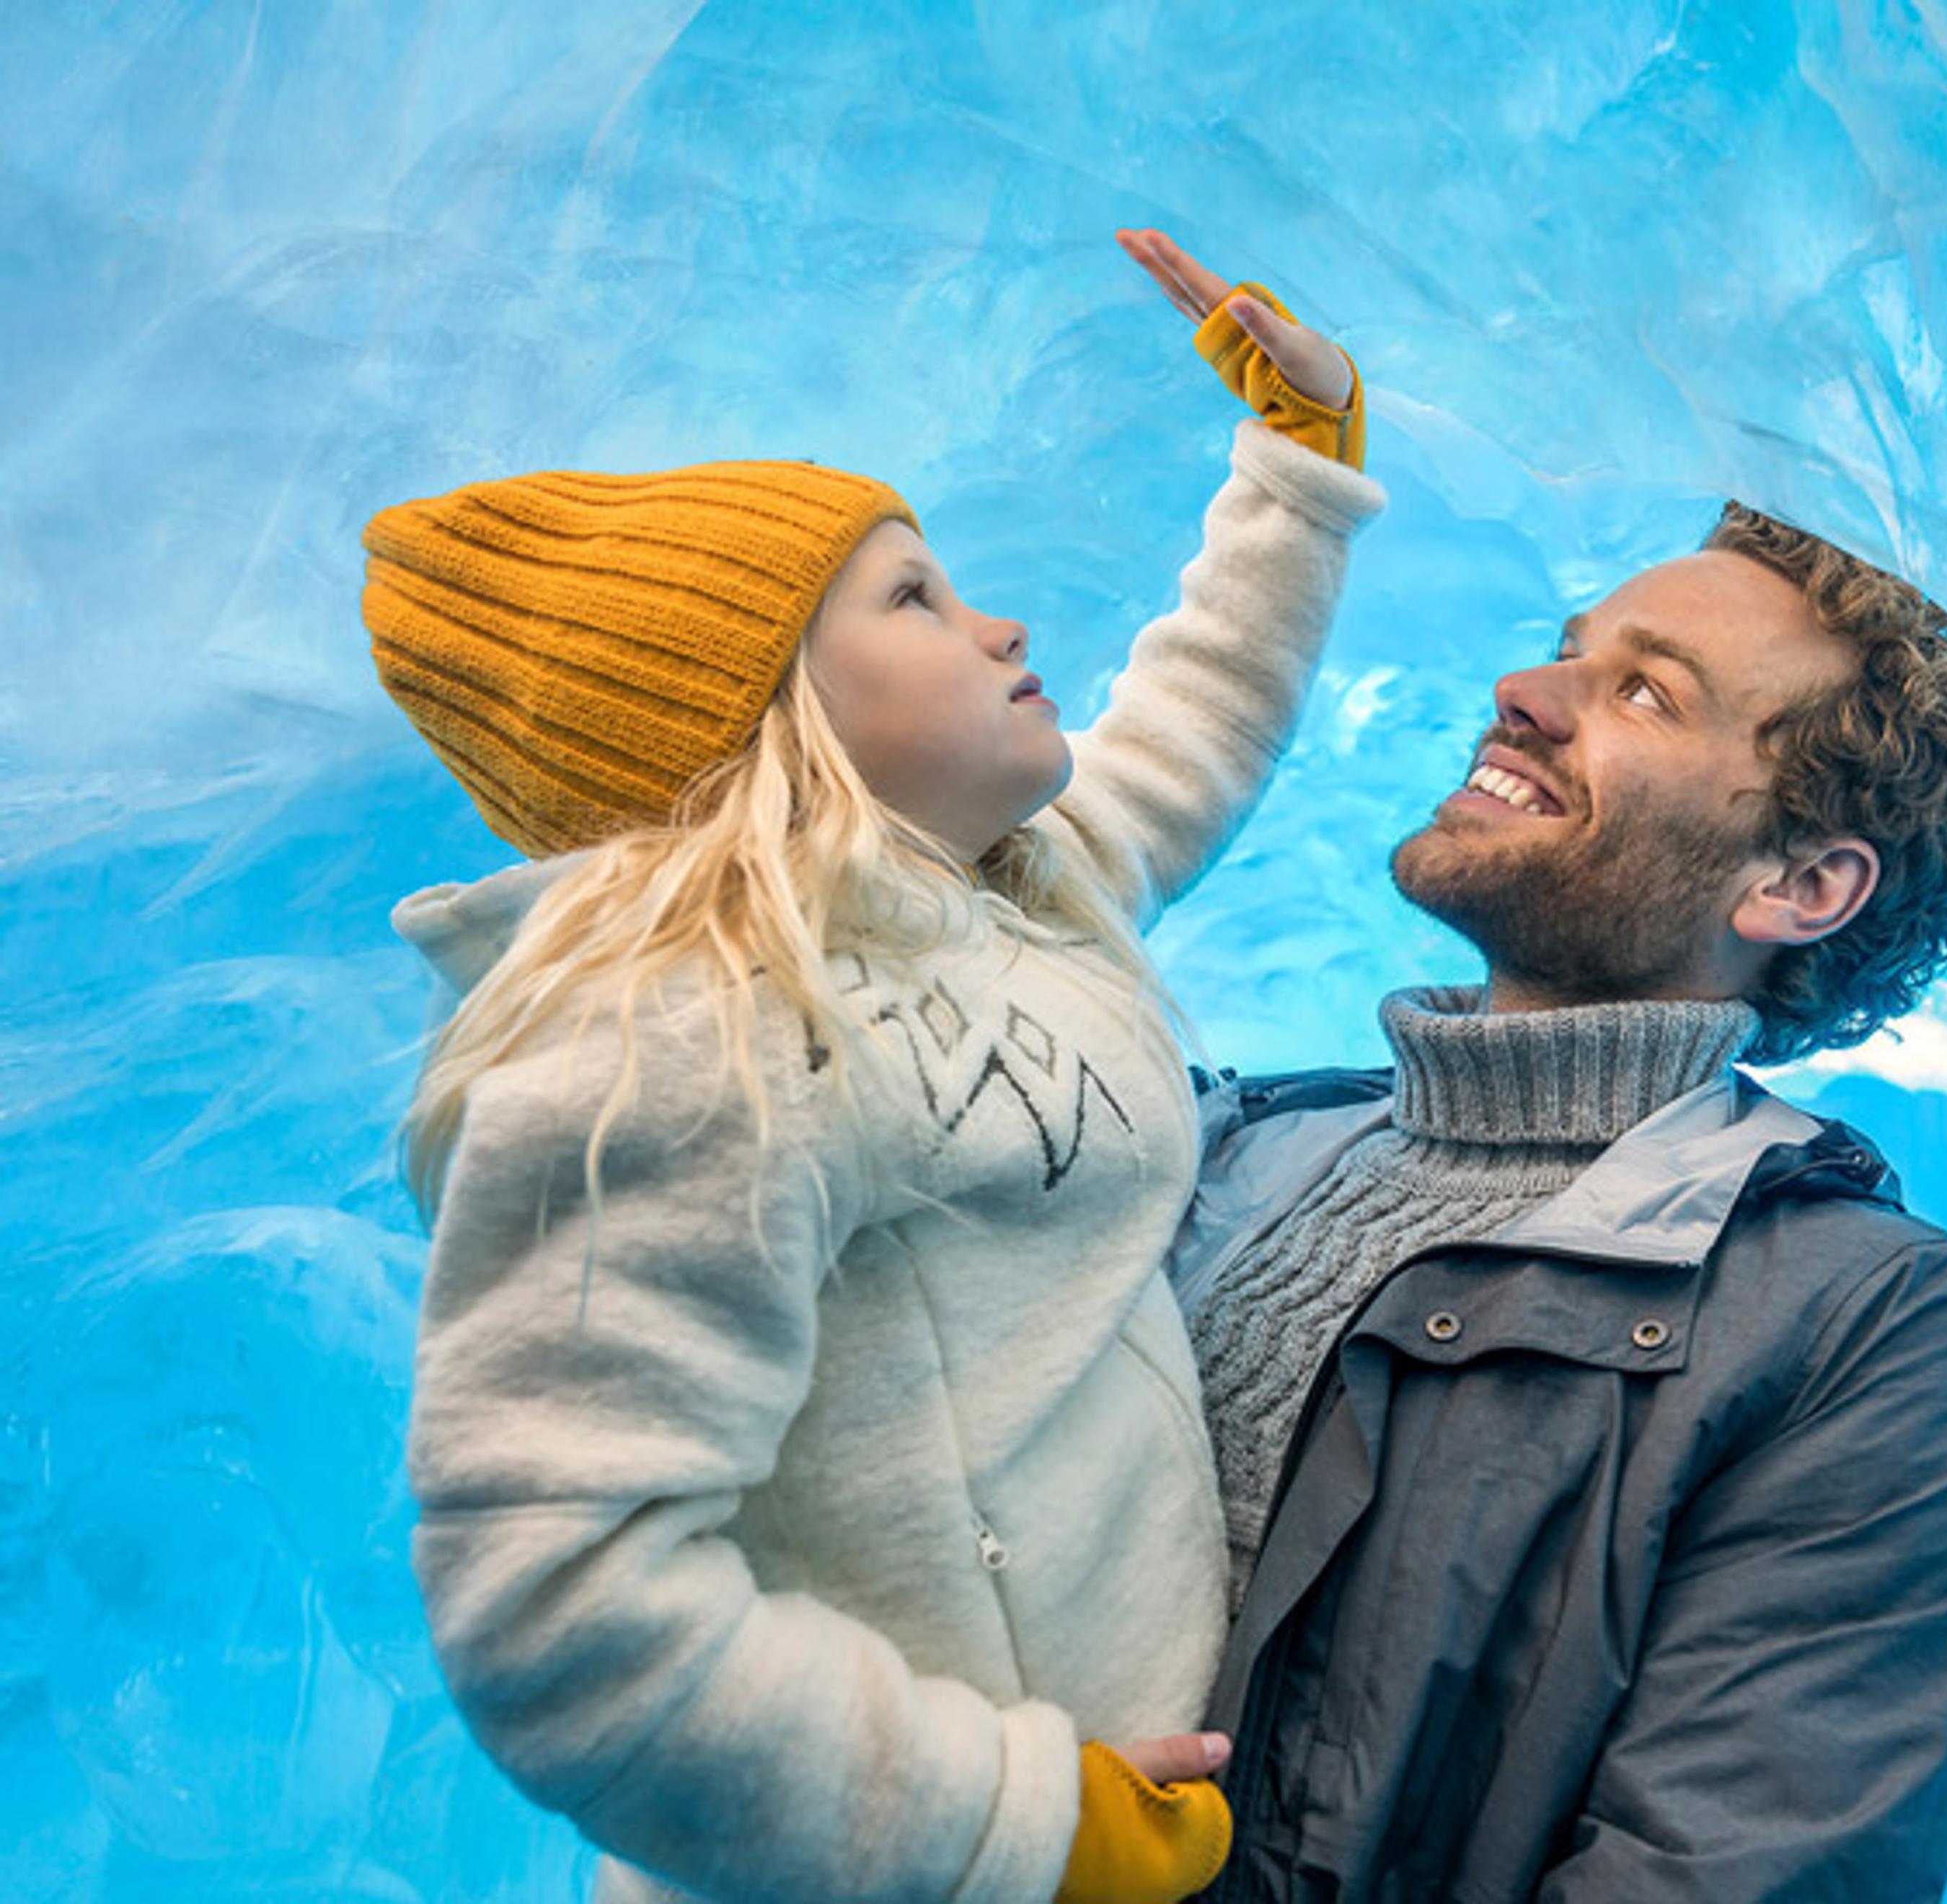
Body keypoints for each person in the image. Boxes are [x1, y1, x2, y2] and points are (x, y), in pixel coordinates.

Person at [368, 232, 1382, 1904]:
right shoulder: (682, 1033)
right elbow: (557, 1606)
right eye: (915, 596)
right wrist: (1016, 1828)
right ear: (767, 729)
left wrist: (1299, 464)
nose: (998, 623)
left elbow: (1181, 740)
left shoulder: (1003, 902)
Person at [1170, 506, 1947, 1900]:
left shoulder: (1855, 1327)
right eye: (1569, 653)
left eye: (1644, 690)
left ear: (1802, 884)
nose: (1524, 697)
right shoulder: (1220, 1145)